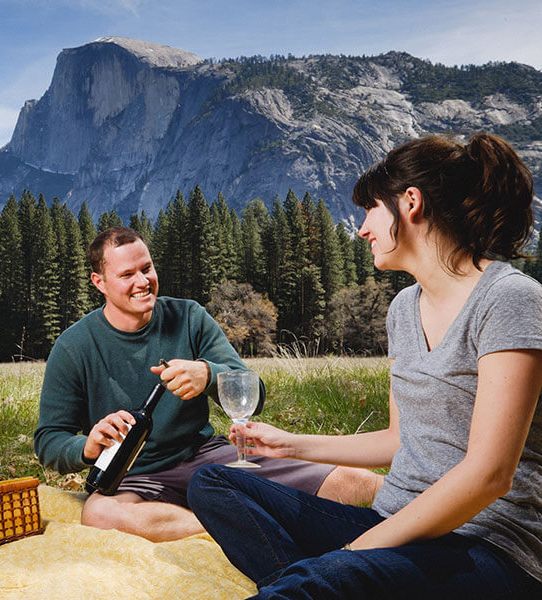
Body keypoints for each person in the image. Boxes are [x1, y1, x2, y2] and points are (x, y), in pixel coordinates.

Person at [187, 133, 542, 599]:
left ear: (410, 203)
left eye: (371, 209)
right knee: (213, 483)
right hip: (394, 522)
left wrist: (355, 552)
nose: (361, 229)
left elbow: (489, 474)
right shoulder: (403, 307)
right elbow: (399, 441)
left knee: (332, 575)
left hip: (485, 544)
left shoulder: (509, 299)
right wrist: (290, 445)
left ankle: (319, 583)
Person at [34, 226, 382, 542]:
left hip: (209, 458)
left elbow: (255, 394)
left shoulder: (189, 317)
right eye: (127, 274)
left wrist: (209, 375)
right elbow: (49, 439)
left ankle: (427, 527)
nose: (142, 281)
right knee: (98, 513)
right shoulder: (73, 346)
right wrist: (88, 447)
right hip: (134, 478)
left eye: (147, 268)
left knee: (358, 483)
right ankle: (240, 521)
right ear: (100, 282)